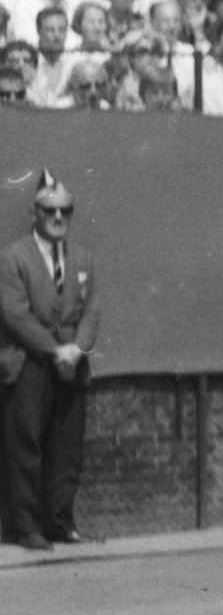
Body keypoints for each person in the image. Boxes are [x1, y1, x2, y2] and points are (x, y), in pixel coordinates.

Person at [0, 171, 96, 550]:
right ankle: (26, 528)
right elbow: (17, 315)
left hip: (71, 365)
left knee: (67, 447)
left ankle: (60, 522)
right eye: (50, 210)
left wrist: (78, 348)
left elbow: (92, 311)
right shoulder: (12, 259)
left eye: (65, 211)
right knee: (26, 446)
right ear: (35, 213)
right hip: (28, 364)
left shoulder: (83, 258)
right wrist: (55, 350)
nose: (58, 218)